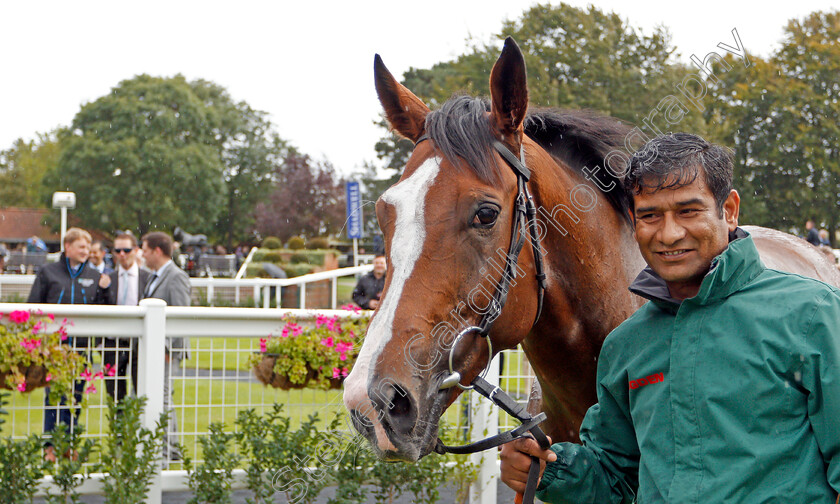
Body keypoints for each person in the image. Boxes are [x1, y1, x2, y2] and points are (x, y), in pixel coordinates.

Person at [500, 133, 840, 503]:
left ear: (728, 210)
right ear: (633, 220)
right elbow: (617, 478)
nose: (670, 234)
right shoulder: (627, 345)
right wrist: (551, 469)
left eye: (688, 211)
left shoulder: (813, 314)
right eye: (650, 216)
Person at [27, 227, 111, 461]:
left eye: (88, 247)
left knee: (75, 397)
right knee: (53, 397)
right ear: (68, 247)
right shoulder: (48, 272)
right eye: (81, 247)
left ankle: (70, 444)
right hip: (53, 349)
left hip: (81, 350)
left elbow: (104, 310)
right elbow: (34, 305)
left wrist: (106, 290)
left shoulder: (95, 276)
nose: (86, 251)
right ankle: (50, 447)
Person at [141, 231, 191, 463]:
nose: (142, 254)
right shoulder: (155, 276)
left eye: (145, 250)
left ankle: (170, 451)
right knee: (156, 398)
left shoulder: (175, 276)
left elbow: (181, 315)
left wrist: (170, 350)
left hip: (167, 352)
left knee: (163, 399)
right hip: (154, 350)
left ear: (157, 251)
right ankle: (162, 449)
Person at [103, 233, 150, 403]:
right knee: (115, 397)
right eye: (117, 250)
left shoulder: (147, 278)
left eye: (126, 250)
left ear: (136, 250)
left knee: (143, 393)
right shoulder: (107, 279)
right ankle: (118, 429)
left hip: (139, 343)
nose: (121, 254)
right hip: (112, 343)